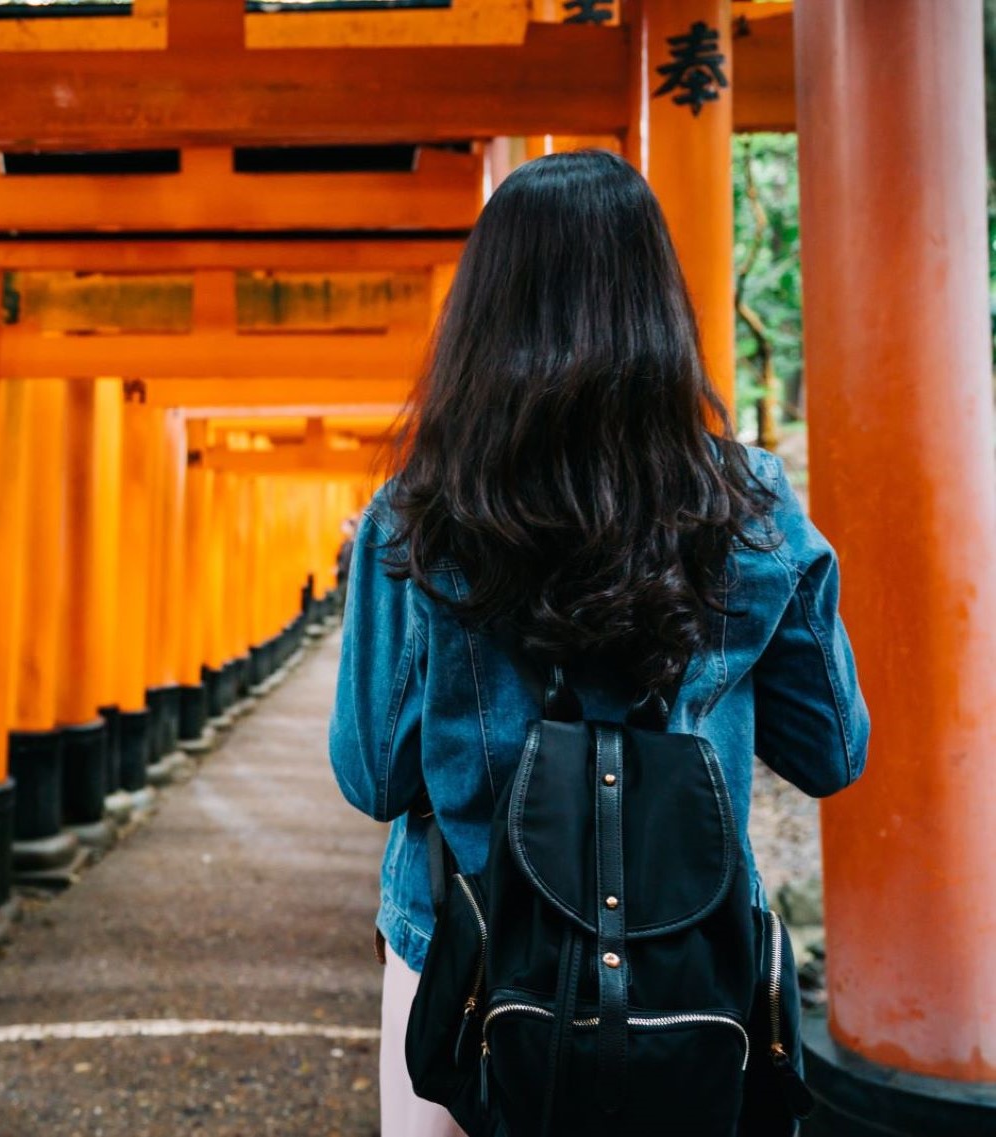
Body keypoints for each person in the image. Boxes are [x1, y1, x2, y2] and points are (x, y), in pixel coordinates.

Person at [327, 150, 868, 1137]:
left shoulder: (419, 515)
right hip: (687, 974)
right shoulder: (748, 505)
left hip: (468, 965)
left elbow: (372, 773)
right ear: (658, 307)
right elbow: (832, 751)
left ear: (482, 315)